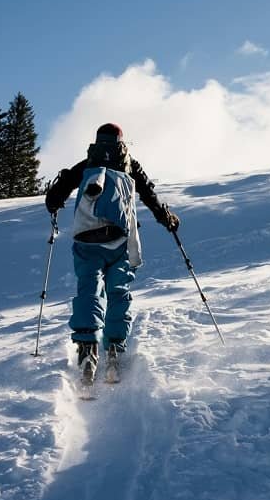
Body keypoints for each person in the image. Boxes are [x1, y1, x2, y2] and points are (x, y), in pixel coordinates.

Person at [44, 123, 179, 385]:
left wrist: (54, 203)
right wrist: (167, 219)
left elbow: (56, 196)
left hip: (87, 239)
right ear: (121, 141)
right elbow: (150, 195)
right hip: (120, 240)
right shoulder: (130, 166)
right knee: (117, 291)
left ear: (97, 140)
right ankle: (114, 348)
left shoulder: (86, 164)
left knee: (89, 289)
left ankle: (87, 350)